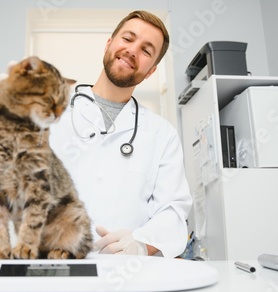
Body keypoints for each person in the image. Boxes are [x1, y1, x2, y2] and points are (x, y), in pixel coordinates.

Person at [49, 10, 192, 258]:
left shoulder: (161, 134)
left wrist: (141, 244)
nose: (133, 50)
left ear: (151, 71)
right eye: (128, 39)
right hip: (51, 267)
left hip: (125, 276)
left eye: (146, 50)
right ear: (108, 44)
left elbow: (173, 211)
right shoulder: (51, 111)